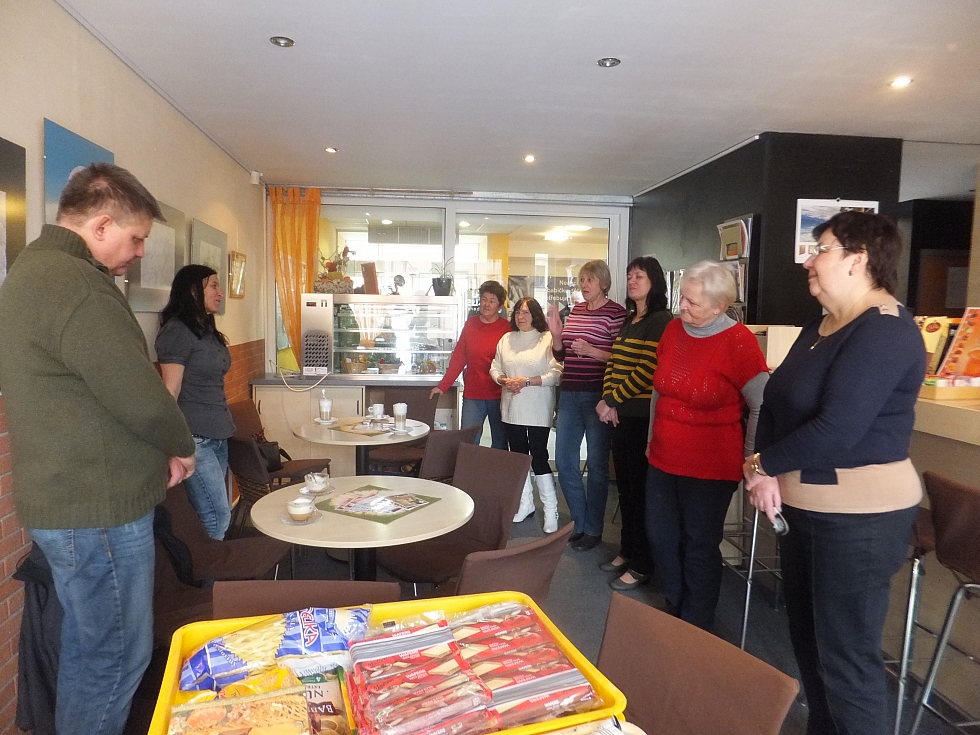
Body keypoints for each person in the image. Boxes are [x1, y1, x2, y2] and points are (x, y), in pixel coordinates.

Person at [0, 163, 196, 735]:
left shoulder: (32, 272)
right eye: (136, 238)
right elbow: (138, 394)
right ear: (102, 225)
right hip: (98, 508)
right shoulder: (77, 286)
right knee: (115, 658)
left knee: (88, 651)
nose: (139, 252)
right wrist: (181, 445)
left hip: (69, 503)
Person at [744, 211, 924, 735]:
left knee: (846, 659)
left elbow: (838, 430)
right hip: (804, 508)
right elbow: (775, 401)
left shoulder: (885, 330)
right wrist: (766, 471)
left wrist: (762, 464)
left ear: (857, 259)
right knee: (809, 644)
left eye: (821, 248)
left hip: (861, 519)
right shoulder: (821, 325)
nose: (809, 260)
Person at [645, 260, 768, 630]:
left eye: (692, 302)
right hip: (663, 456)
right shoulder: (673, 329)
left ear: (719, 306)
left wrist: (750, 460)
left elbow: (761, 403)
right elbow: (659, 389)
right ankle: (675, 606)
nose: (682, 306)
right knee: (661, 537)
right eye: (682, 297)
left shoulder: (738, 341)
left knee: (699, 544)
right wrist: (651, 439)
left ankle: (695, 624)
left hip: (711, 464)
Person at [596, 256, 673, 590]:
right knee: (625, 490)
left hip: (641, 417)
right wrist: (608, 399)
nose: (632, 281)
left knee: (640, 492)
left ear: (654, 282)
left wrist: (612, 400)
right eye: (629, 276)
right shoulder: (631, 320)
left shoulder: (661, 321)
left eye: (639, 276)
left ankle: (642, 564)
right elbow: (614, 361)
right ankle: (627, 550)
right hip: (620, 415)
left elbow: (647, 370)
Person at [548, 260, 626, 551]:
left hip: (598, 396)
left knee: (596, 465)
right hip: (569, 394)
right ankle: (579, 523)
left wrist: (592, 351)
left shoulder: (616, 313)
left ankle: (593, 529)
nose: (584, 285)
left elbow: (621, 357)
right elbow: (562, 356)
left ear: (603, 283)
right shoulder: (577, 311)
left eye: (590, 280)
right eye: (582, 279)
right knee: (564, 461)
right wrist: (557, 336)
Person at [156, 264, 234, 540]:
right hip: (195, 439)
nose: (220, 293)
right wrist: (174, 444)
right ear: (192, 291)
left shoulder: (205, 329)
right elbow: (170, 391)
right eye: (213, 286)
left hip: (217, 434)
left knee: (215, 513)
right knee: (216, 516)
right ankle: (212, 567)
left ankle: (213, 563)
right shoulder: (177, 331)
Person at [489, 297, 563, 532]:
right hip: (512, 408)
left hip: (538, 408)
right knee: (519, 457)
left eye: (526, 312)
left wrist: (527, 381)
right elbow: (495, 367)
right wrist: (504, 380)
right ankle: (526, 504)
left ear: (535, 315)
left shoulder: (547, 339)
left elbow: (557, 373)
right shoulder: (507, 339)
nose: (521, 317)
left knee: (539, 456)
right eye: (518, 312)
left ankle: (551, 510)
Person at [430, 280, 510, 448]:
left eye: (492, 301)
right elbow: (459, 357)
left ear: (499, 306)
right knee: (468, 441)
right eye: (484, 299)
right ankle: (468, 467)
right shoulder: (471, 324)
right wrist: (443, 386)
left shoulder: (507, 328)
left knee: (501, 442)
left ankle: (497, 467)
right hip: (474, 393)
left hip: (500, 393)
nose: (486, 304)